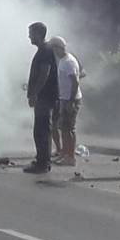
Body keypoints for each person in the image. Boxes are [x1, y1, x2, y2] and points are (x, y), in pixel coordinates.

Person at [24, 22, 58, 174]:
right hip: (44, 96)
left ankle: (43, 163)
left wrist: (34, 93)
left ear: (38, 33)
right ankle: (42, 160)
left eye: (31, 33)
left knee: (41, 130)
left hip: (44, 97)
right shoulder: (44, 50)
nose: (29, 36)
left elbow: (45, 73)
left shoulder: (45, 50)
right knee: (41, 129)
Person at [48, 37, 82, 166]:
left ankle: (70, 157)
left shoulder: (68, 62)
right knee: (63, 128)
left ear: (57, 48)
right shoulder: (63, 60)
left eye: (53, 48)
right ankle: (64, 153)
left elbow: (75, 82)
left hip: (70, 99)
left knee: (69, 129)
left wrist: (71, 101)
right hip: (64, 98)